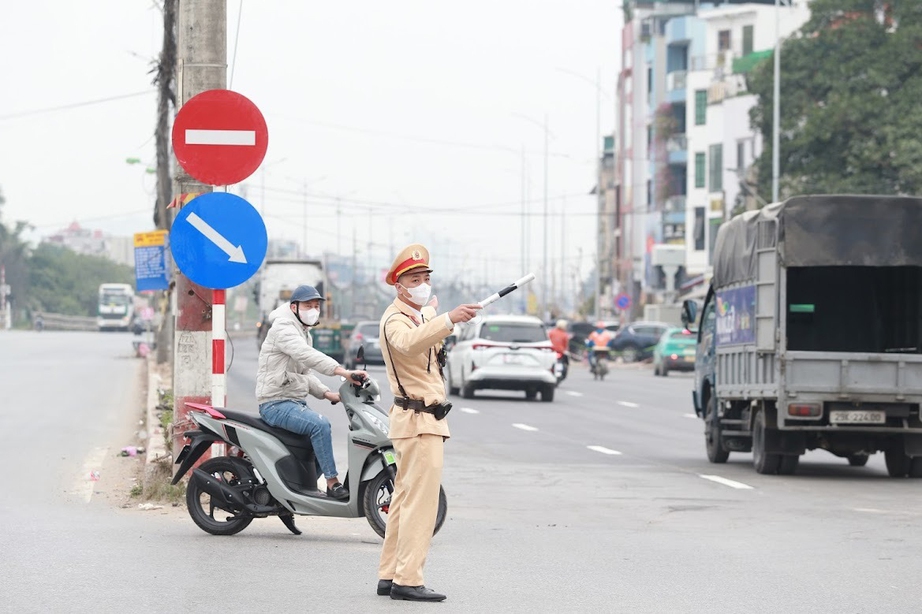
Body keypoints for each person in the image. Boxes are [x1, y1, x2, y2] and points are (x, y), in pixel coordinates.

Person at [376, 244, 481, 602]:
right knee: (421, 505)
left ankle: (390, 573)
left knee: (404, 500)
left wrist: (440, 317)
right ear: (398, 285)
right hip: (419, 421)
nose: (421, 284)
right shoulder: (396, 320)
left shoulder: (416, 316)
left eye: (425, 278)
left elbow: (424, 334)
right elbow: (407, 344)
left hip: (418, 421)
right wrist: (447, 319)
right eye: (413, 279)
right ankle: (408, 579)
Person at [255, 284, 366, 500]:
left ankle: (302, 490)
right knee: (320, 425)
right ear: (294, 307)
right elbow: (306, 355)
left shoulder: (304, 332)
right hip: (275, 403)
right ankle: (332, 483)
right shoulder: (283, 329)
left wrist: (327, 393)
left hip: (293, 402)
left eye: (316, 306)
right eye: (308, 305)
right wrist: (341, 371)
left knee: (317, 439)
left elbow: (305, 373)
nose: (313, 309)